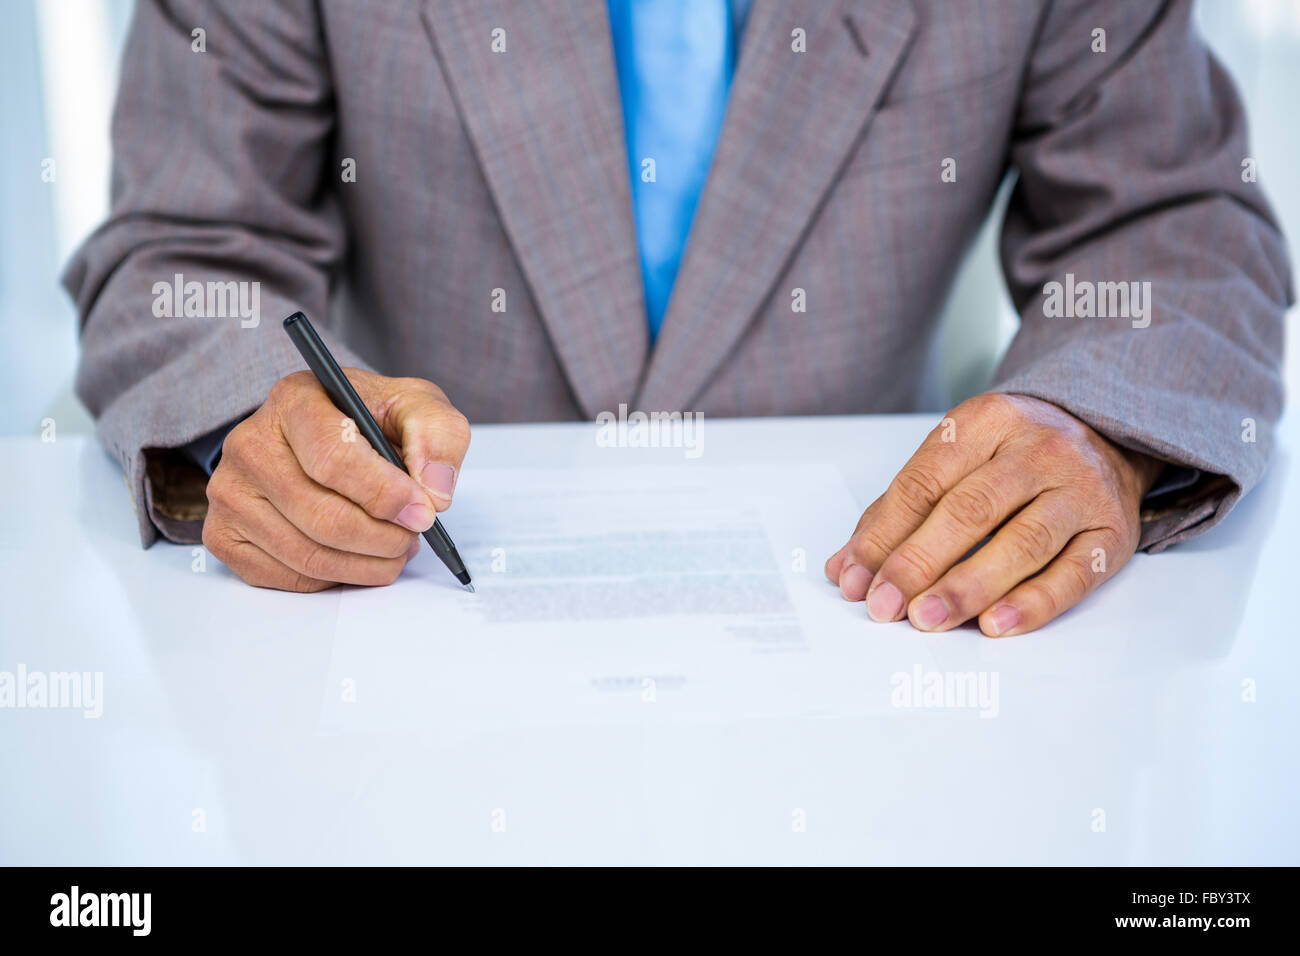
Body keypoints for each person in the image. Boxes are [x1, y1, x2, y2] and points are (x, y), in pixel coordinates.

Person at [64, 0, 1291, 636]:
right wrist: (253, 427)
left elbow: (1171, 220)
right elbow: (187, 244)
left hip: (890, 681)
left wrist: (1094, 421)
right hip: (402, 662)